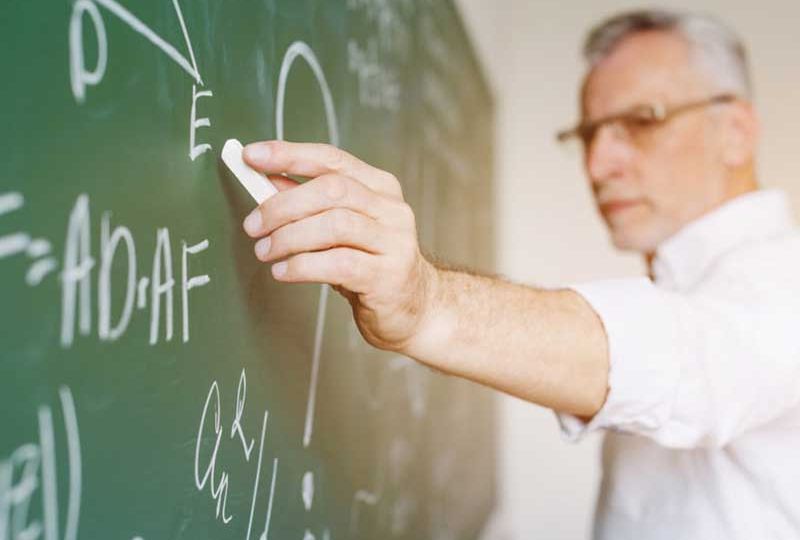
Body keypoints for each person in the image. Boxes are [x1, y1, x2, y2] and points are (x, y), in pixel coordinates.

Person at [239, 9, 800, 539]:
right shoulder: (688, 284)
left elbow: (694, 361)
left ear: (736, 132)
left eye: (640, 120)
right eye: (588, 134)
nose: (599, 164)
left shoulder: (783, 278)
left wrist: (426, 302)